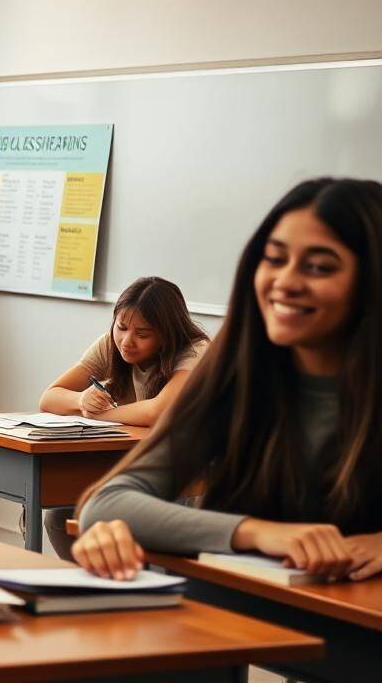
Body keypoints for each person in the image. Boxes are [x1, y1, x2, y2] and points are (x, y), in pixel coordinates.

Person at [74, 178, 382, 582]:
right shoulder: (239, 377)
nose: (285, 282)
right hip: (236, 613)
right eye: (274, 260)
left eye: (320, 267)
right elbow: (106, 504)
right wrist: (257, 532)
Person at [38, 276, 209, 558]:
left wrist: (99, 412)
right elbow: (49, 397)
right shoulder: (112, 344)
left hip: (195, 474)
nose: (127, 341)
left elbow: (157, 412)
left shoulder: (195, 351)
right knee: (59, 519)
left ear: (167, 334)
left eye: (143, 334)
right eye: (122, 327)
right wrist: (81, 399)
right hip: (144, 464)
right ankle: (96, 592)